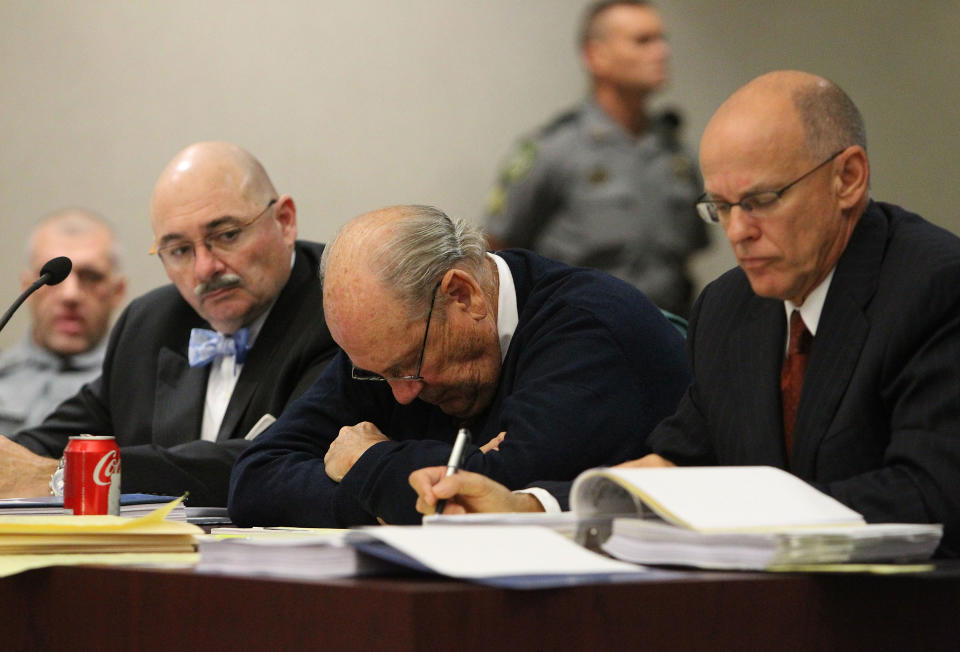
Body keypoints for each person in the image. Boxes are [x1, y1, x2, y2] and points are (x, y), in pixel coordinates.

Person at [410, 71, 960, 557]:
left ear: (848, 178)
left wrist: (736, 510)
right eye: (720, 207)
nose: (739, 232)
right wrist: (530, 510)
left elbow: (931, 494)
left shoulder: (934, 288)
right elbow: (677, 467)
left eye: (762, 200)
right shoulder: (730, 308)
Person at [227, 204, 690, 526]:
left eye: (410, 366)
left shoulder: (593, 329)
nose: (400, 394)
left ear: (462, 295)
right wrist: (389, 492)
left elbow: (492, 501)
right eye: (378, 374)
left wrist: (367, 460)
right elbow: (255, 479)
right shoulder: (387, 348)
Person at [1, 141, 338, 505]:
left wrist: (62, 477)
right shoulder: (149, 324)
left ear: (284, 220)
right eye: (179, 250)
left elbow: (274, 463)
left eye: (226, 235)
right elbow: (58, 439)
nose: (204, 268)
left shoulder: (336, 308)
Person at [483, 0, 707, 317]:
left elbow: (688, 254)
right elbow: (497, 248)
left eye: (662, 39)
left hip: (670, 332)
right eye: (643, 41)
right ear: (596, 55)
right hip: (581, 334)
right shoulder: (554, 149)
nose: (662, 52)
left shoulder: (676, 154)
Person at [0, 210, 126, 434]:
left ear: (117, 291)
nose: (71, 295)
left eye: (91, 276)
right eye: (52, 277)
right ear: (27, 287)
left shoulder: (137, 386)